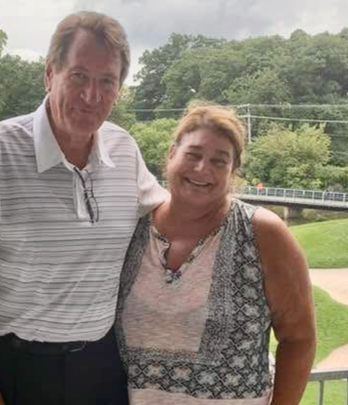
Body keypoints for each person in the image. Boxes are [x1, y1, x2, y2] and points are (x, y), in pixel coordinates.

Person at [0, 11, 167, 405]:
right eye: (79, 76)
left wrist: (253, 222)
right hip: (19, 368)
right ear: (50, 74)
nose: (92, 95)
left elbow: (174, 215)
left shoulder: (124, 149)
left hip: (102, 366)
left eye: (107, 81)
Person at [115, 104, 316, 405]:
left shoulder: (262, 233)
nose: (202, 169)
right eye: (193, 154)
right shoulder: (133, 227)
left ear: (233, 171)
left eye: (219, 161)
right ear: (171, 154)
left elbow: (299, 338)